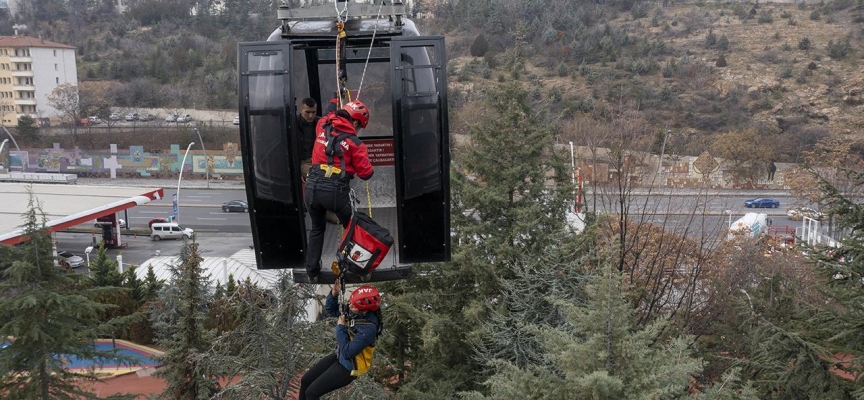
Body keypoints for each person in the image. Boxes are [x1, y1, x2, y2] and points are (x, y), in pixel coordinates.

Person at [304, 98, 374, 283]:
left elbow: (328, 112)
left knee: (317, 228)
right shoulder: (355, 143)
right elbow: (366, 174)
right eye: (360, 126)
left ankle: (312, 272)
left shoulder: (322, 125)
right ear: (355, 122)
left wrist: (336, 98)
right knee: (352, 228)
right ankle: (360, 269)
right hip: (335, 191)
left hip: (311, 189)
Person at [298, 282, 382, 400]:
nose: (350, 306)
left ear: (364, 310)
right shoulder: (355, 311)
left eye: (353, 306)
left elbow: (347, 352)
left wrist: (340, 328)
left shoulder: (369, 329)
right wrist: (333, 295)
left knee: (311, 393)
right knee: (305, 380)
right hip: (339, 356)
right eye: (350, 303)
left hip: (348, 368)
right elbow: (331, 310)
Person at [298, 98, 340, 225]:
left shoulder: (319, 122)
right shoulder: (294, 125)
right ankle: (325, 212)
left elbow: (330, 114)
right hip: (304, 161)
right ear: (301, 110)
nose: (311, 116)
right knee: (318, 177)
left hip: (320, 159)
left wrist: (336, 99)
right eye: (307, 112)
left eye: (313, 112)